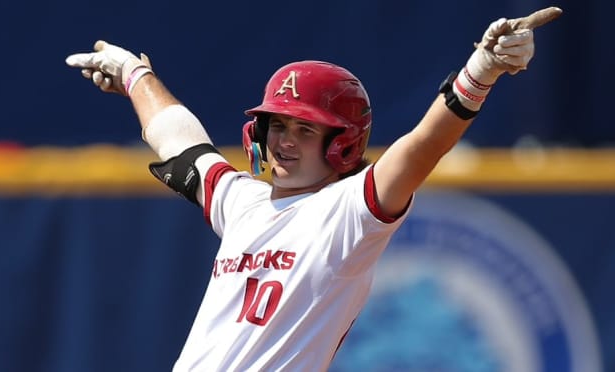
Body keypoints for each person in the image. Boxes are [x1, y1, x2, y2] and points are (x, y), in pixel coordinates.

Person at [65, 7, 561, 371]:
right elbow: (180, 142)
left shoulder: (347, 216)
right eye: (277, 126)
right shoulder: (244, 203)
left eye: (305, 129)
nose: (283, 141)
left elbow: (421, 148)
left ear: (342, 144)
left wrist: (482, 71)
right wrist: (135, 74)